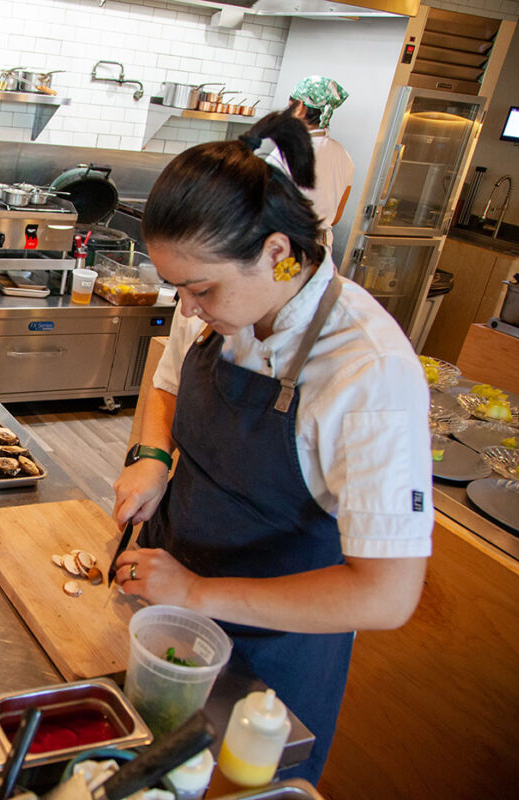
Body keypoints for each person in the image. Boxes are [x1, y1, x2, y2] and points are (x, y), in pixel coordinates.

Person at [110, 108, 431, 784]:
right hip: (167, 594)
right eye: (179, 289)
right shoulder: (218, 301)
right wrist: (151, 458)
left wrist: (199, 593)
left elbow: (386, 596)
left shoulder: (366, 370)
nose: (188, 308)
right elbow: (164, 383)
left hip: (272, 656)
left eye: (200, 289)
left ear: (278, 253)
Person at [289, 75, 354, 251]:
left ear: (300, 108)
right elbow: (336, 216)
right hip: (321, 248)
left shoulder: (291, 151)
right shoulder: (343, 155)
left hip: (287, 245)